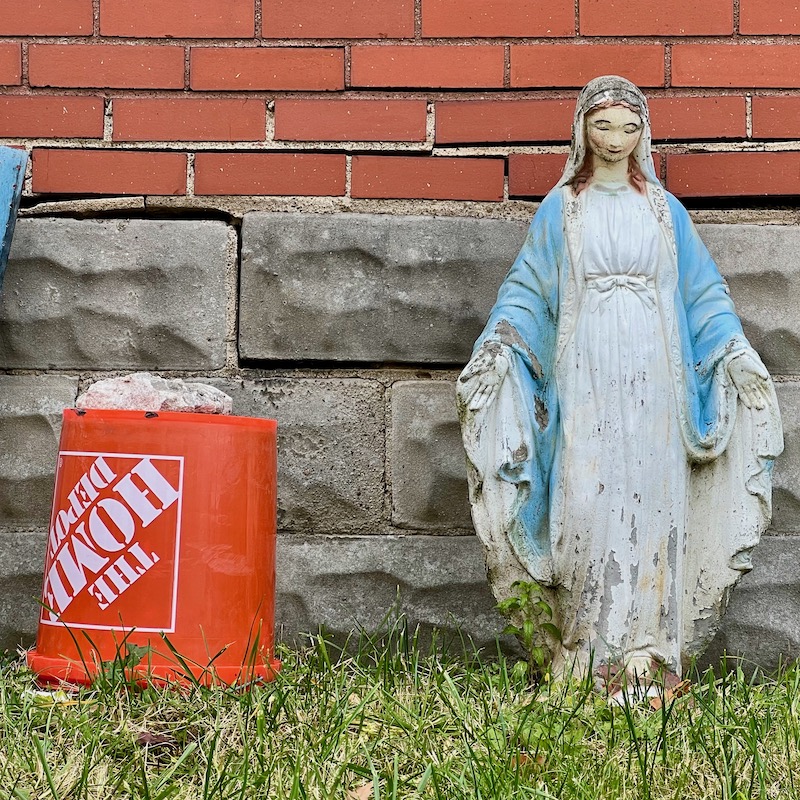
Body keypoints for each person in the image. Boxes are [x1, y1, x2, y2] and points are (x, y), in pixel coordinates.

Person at [457, 75, 783, 688]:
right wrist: (500, 347)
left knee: (654, 500)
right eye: (603, 126)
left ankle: (648, 653)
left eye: (629, 128)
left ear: (644, 135)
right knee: (586, 496)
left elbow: (704, 295)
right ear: (582, 130)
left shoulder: (664, 210)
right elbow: (527, 291)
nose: (615, 139)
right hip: (585, 374)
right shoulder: (562, 209)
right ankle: (585, 652)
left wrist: (733, 351)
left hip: (656, 375)